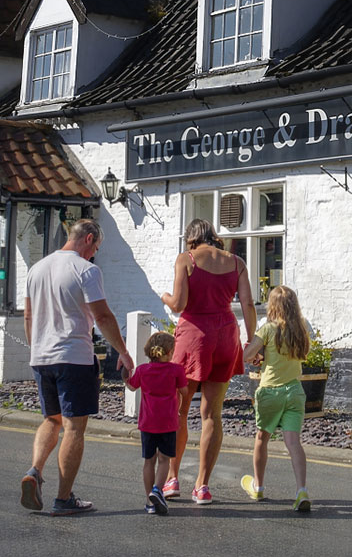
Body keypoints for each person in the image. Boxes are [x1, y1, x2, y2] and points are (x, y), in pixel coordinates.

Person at [19, 218, 134, 516]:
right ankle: (63, 498)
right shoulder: (87, 270)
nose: (95, 252)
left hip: (41, 358)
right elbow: (103, 317)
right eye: (96, 246)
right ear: (89, 238)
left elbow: (28, 317)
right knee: (73, 427)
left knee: (51, 420)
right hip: (74, 357)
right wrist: (123, 352)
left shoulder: (36, 269)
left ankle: (34, 471)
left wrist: (37, 349)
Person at [162, 218, 256, 504]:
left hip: (194, 336)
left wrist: (164, 297)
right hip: (226, 334)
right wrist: (252, 341)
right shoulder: (237, 262)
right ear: (214, 237)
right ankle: (202, 486)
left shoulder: (186, 259)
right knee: (212, 414)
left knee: (179, 410)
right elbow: (249, 304)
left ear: (191, 239)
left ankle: (172, 478)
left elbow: (179, 304)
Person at [239, 284, 312, 513]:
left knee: (262, 438)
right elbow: (302, 354)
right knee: (293, 443)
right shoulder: (301, 329)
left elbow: (247, 355)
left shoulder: (268, 329)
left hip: (270, 391)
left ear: (273, 305)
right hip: (294, 391)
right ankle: (301, 490)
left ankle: (258, 486)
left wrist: (256, 356)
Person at [125, 330, 187, 515]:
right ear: (169, 352)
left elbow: (131, 385)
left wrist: (125, 375)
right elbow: (184, 391)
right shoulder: (176, 370)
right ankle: (157, 490)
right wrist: (180, 407)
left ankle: (149, 501)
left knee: (148, 461)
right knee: (164, 459)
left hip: (147, 422)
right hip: (168, 421)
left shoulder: (143, 370)